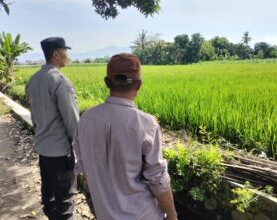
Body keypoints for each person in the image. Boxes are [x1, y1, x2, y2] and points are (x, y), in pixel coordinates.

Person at [73, 53, 177, 220]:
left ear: (107, 82)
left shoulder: (86, 119)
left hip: (104, 213)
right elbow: (158, 179)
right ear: (139, 85)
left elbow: (84, 165)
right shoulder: (146, 124)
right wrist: (172, 216)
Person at [26, 37, 79, 220]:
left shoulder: (33, 80)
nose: (67, 55)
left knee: (49, 199)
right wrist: (79, 148)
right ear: (56, 54)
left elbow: (34, 116)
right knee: (65, 203)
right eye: (65, 51)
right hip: (60, 153)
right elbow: (72, 120)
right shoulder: (60, 81)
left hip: (43, 149)